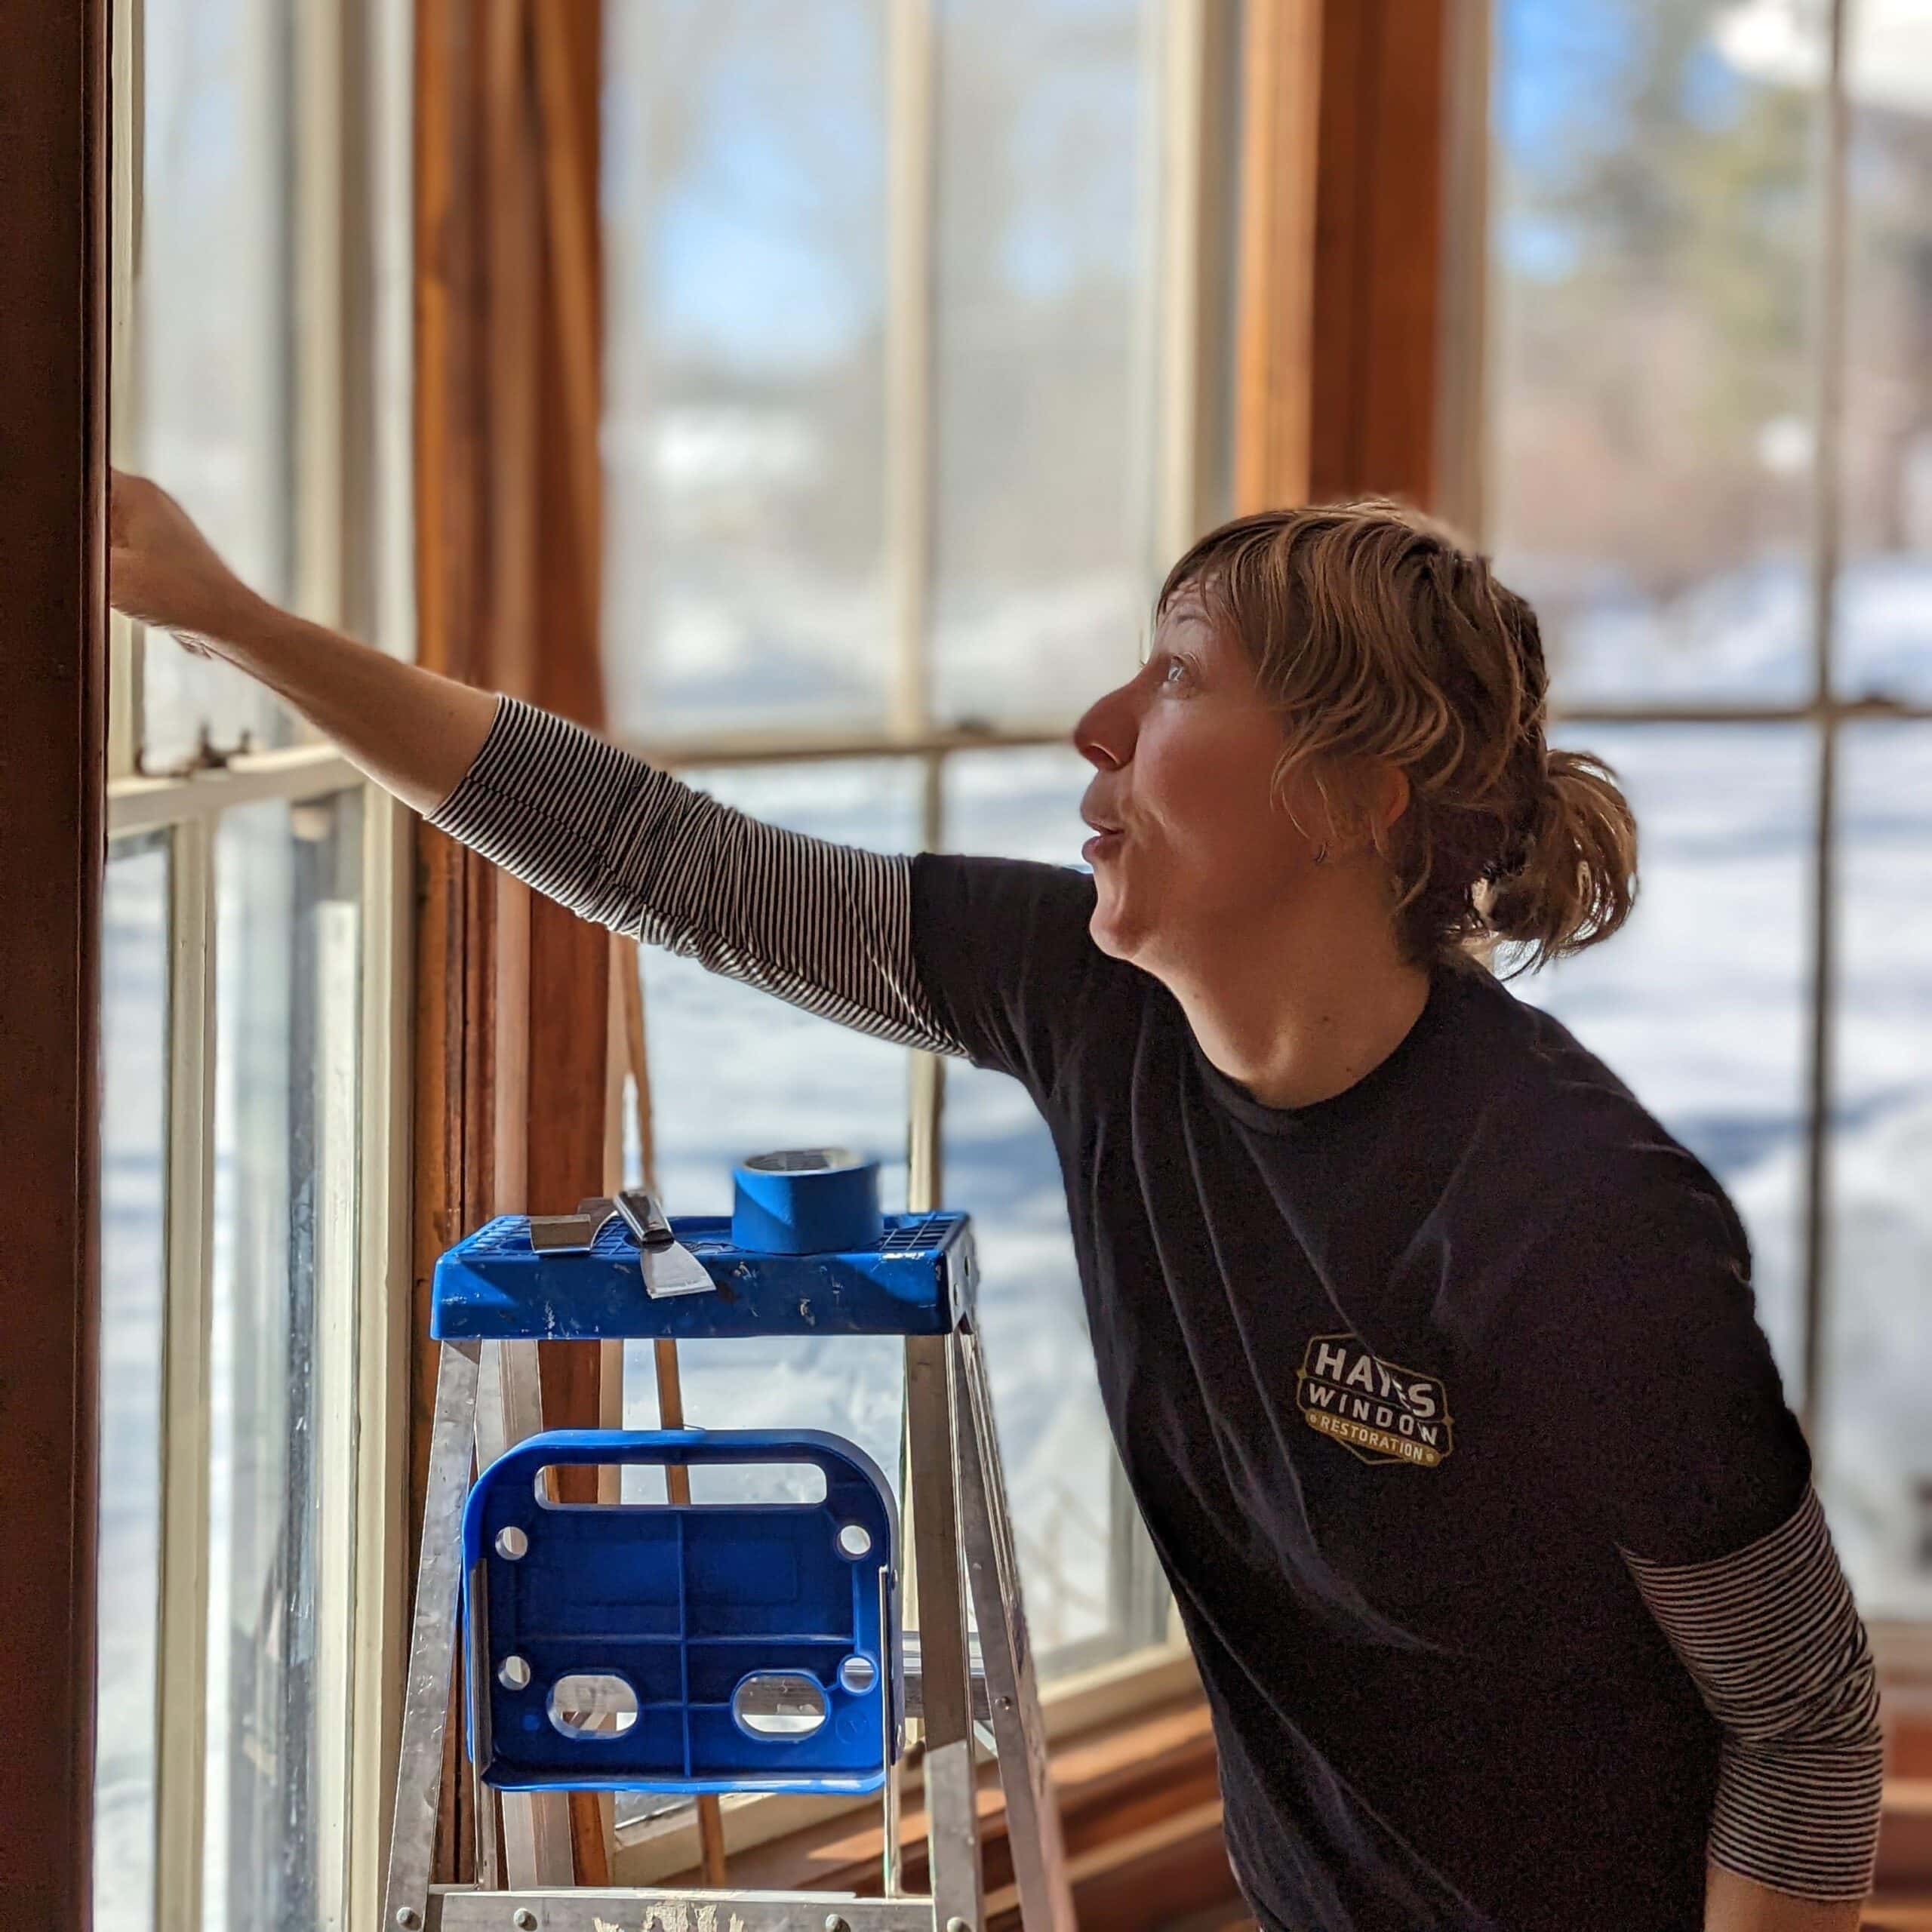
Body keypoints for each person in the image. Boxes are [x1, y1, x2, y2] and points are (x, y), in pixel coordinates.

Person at [109, 469, 1884, 1932]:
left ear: (1351, 794)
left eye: (1179, 678)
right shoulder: (1088, 1004)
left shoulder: (1571, 1215)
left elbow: (1799, 1719)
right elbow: (667, 860)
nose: (1094, 724)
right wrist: (235, 623)